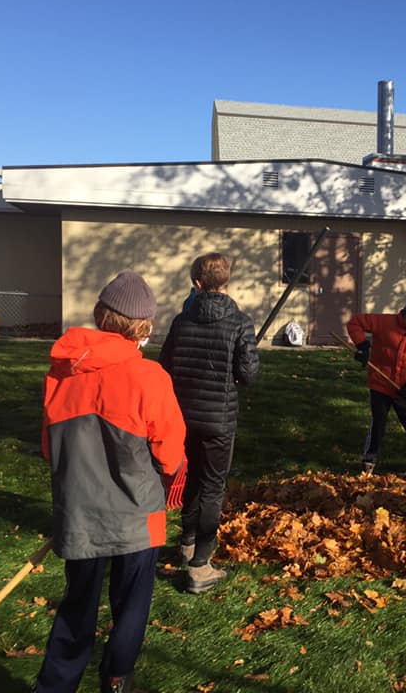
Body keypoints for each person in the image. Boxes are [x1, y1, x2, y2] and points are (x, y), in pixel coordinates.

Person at [35, 270, 186, 693]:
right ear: (143, 327)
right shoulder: (150, 377)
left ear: (102, 315)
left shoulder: (61, 373)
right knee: (131, 605)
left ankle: (55, 686)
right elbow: (170, 454)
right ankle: (117, 679)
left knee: (77, 605)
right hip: (136, 519)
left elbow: (51, 449)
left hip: (79, 513)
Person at [159, 253, 259, 594]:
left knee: (190, 480)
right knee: (212, 487)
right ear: (226, 281)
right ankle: (200, 562)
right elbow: (247, 376)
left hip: (183, 417)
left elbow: (165, 366)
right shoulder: (240, 323)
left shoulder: (180, 322)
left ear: (197, 284)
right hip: (218, 420)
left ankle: (186, 543)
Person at [346, 285, 406, 474]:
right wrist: (362, 346)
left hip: (404, 389)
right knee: (378, 422)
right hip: (380, 384)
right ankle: (369, 461)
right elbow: (355, 322)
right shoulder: (384, 322)